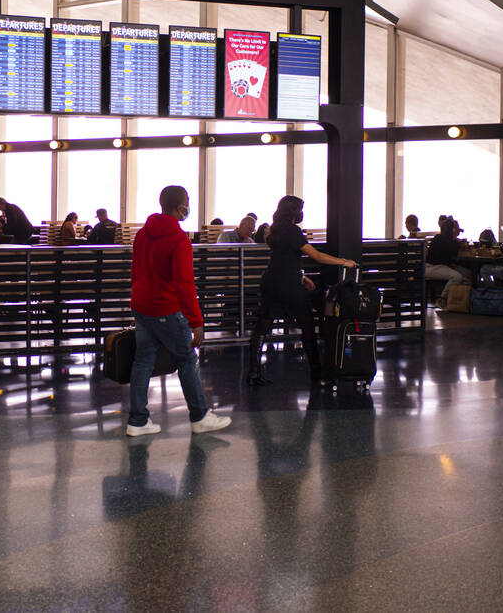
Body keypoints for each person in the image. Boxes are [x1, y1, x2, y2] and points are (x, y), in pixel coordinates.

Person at [126, 185, 230, 437]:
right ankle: (200, 416)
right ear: (179, 206)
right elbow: (184, 284)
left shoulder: (142, 234)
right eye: (187, 201)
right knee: (186, 360)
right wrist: (196, 321)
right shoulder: (179, 239)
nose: (188, 206)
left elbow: (135, 271)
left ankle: (137, 421)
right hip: (166, 309)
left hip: (142, 306)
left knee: (143, 361)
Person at [246, 195, 357, 385]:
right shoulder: (293, 231)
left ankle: (253, 373)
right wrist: (345, 262)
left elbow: (283, 258)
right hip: (289, 284)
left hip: (271, 281)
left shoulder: (275, 230)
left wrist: (303, 276)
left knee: (262, 326)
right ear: (294, 212)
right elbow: (317, 256)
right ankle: (317, 372)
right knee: (307, 325)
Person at [425, 217, 469, 306]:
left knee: (468, 274)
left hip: (440, 266)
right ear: (451, 230)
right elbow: (452, 252)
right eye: (456, 229)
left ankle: (460, 302)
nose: (458, 231)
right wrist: (459, 244)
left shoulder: (444, 239)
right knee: (457, 277)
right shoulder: (441, 239)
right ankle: (442, 300)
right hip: (432, 267)